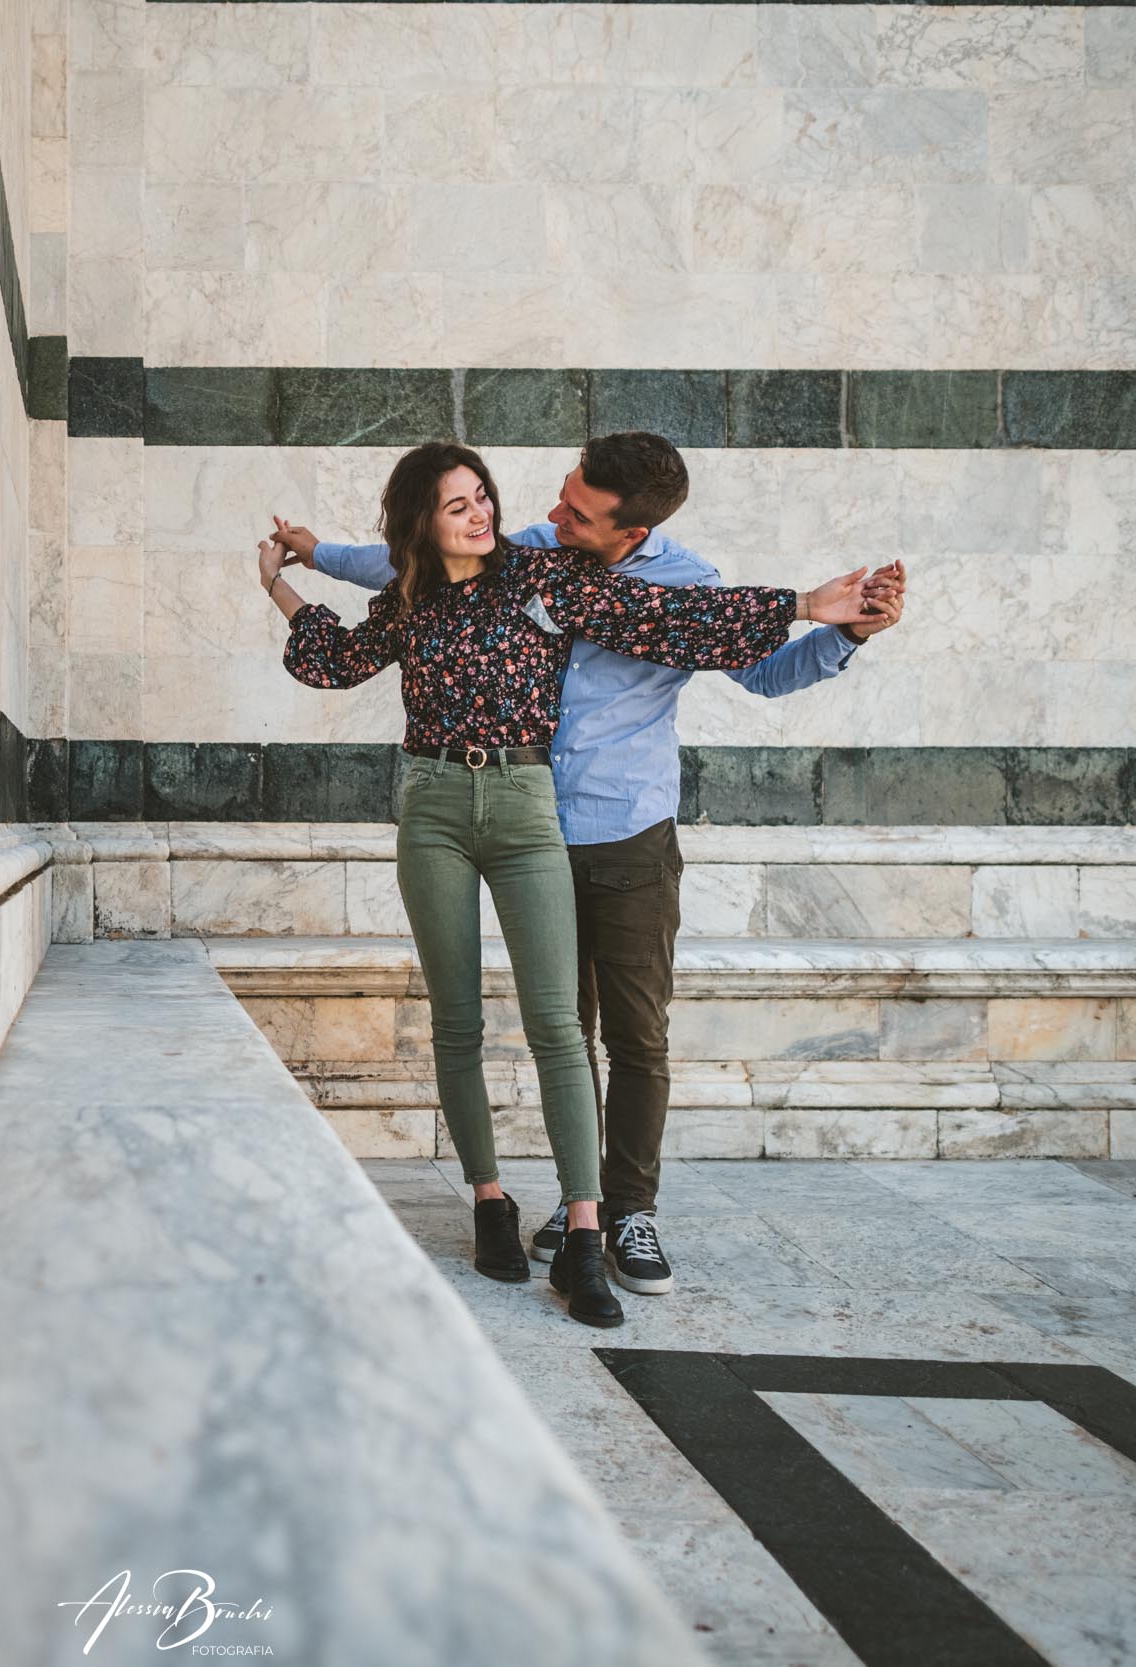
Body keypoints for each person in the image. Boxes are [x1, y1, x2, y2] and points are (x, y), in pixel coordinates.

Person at [272, 433, 904, 1298]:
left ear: (631, 529)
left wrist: (834, 624)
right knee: (532, 1022)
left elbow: (727, 651)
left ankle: (618, 1215)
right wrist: (306, 558)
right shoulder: (528, 553)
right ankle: (541, 1199)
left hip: (622, 829)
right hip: (498, 819)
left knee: (628, 1034)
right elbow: (398, 572)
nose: (547, 515)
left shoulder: (641, 583)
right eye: (558, 497)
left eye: (577, 510)